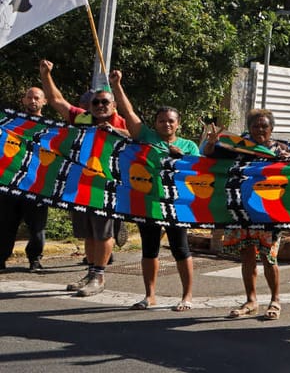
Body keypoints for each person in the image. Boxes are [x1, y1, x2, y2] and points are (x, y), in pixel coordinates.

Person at [109, 70, 200, 312]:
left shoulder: (188, 145)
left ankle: (187, 296)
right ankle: (150, 296)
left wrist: (183, 158)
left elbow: (200, 173)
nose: (166, 124)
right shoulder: (146, 136)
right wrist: (117, 85)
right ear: (155, 123)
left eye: (171, 120)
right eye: (162, 120)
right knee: (149, 249)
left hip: (176, 205)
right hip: (147, 201)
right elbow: (128, 113)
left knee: (181, 248)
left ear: (178, 124)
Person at [40, 60, 129, 296]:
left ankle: (99, 276)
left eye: (105, 102)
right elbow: (57, 101)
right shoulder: (81, 119)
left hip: (107, 188)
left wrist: (116, 131)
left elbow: (140, 137)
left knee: (103, 232)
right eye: (95, 102)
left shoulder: (121, 122)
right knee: (88, 233)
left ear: (114, 105)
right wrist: (46, 75)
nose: (100, 106)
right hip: (79, 186)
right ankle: (90, 272)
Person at [204, 108, 290, 321]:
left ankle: (275, 300)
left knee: (269, 257)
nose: (260, 129)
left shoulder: (282, 148)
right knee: (247, 256)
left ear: (272, 128)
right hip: (241, 210)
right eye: (255, 126)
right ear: (249, 128)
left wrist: (287, 158)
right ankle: (251, 300)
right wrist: (211, 141)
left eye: (264, 126)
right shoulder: (238, 146)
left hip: (268, 212)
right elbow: (208, 155)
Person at [0, 87, 50, 272]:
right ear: (23, 100)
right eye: (29, 97)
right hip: (10, 184)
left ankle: (35, 259)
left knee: (37, 228)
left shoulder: (51, 128)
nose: (32, 101)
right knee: (5, 225)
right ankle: (1, 258)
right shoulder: (12, 124)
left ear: (44, 101)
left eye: (37, 98)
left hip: (36, 186)